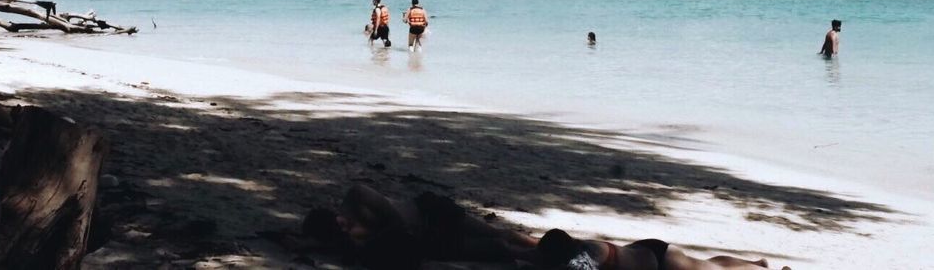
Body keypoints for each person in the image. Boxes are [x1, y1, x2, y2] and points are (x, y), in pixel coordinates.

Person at [302, 185, 536, 270]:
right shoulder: (340, 238)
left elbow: (398, 223)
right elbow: (307, 244)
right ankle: (539, 256)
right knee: (497, 250)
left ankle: (540, 244)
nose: (344, 229)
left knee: (495, 233)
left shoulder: (357, 196)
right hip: (427, 241)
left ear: (337, 213)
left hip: (429, 212)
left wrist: (375, 240)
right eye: (338, 232)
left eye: (341, 224)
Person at [533, 228, 789, 270]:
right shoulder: (581, 250)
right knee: (706, 263)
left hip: (661, 260)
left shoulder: (588, 253)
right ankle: (757, 263)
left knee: (709, 268)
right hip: (648, 254)